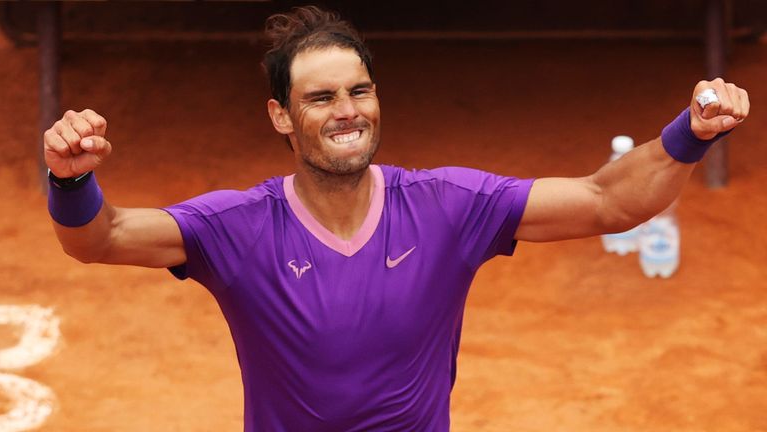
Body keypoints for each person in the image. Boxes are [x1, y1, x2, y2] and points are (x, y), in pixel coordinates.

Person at [44, 5, 749, 431]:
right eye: (320, 98)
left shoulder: (449, 207)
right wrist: (70, 180)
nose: (347, 110)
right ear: (281, 117)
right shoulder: (238, 228)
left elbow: (610, 200)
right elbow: (98, 239)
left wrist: (691, 132)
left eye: (359, 90)